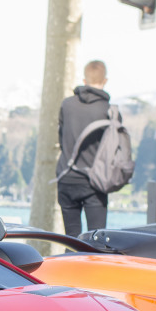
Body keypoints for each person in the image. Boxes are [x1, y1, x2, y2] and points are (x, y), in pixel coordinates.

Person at [56, 59, 112, 236]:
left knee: (71, 240)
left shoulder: (67, 105)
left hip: (66, 177)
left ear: (84, 80)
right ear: (105, 80)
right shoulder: (108, 110)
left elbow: (61, 136)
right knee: (96, 240)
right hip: (95, 182)